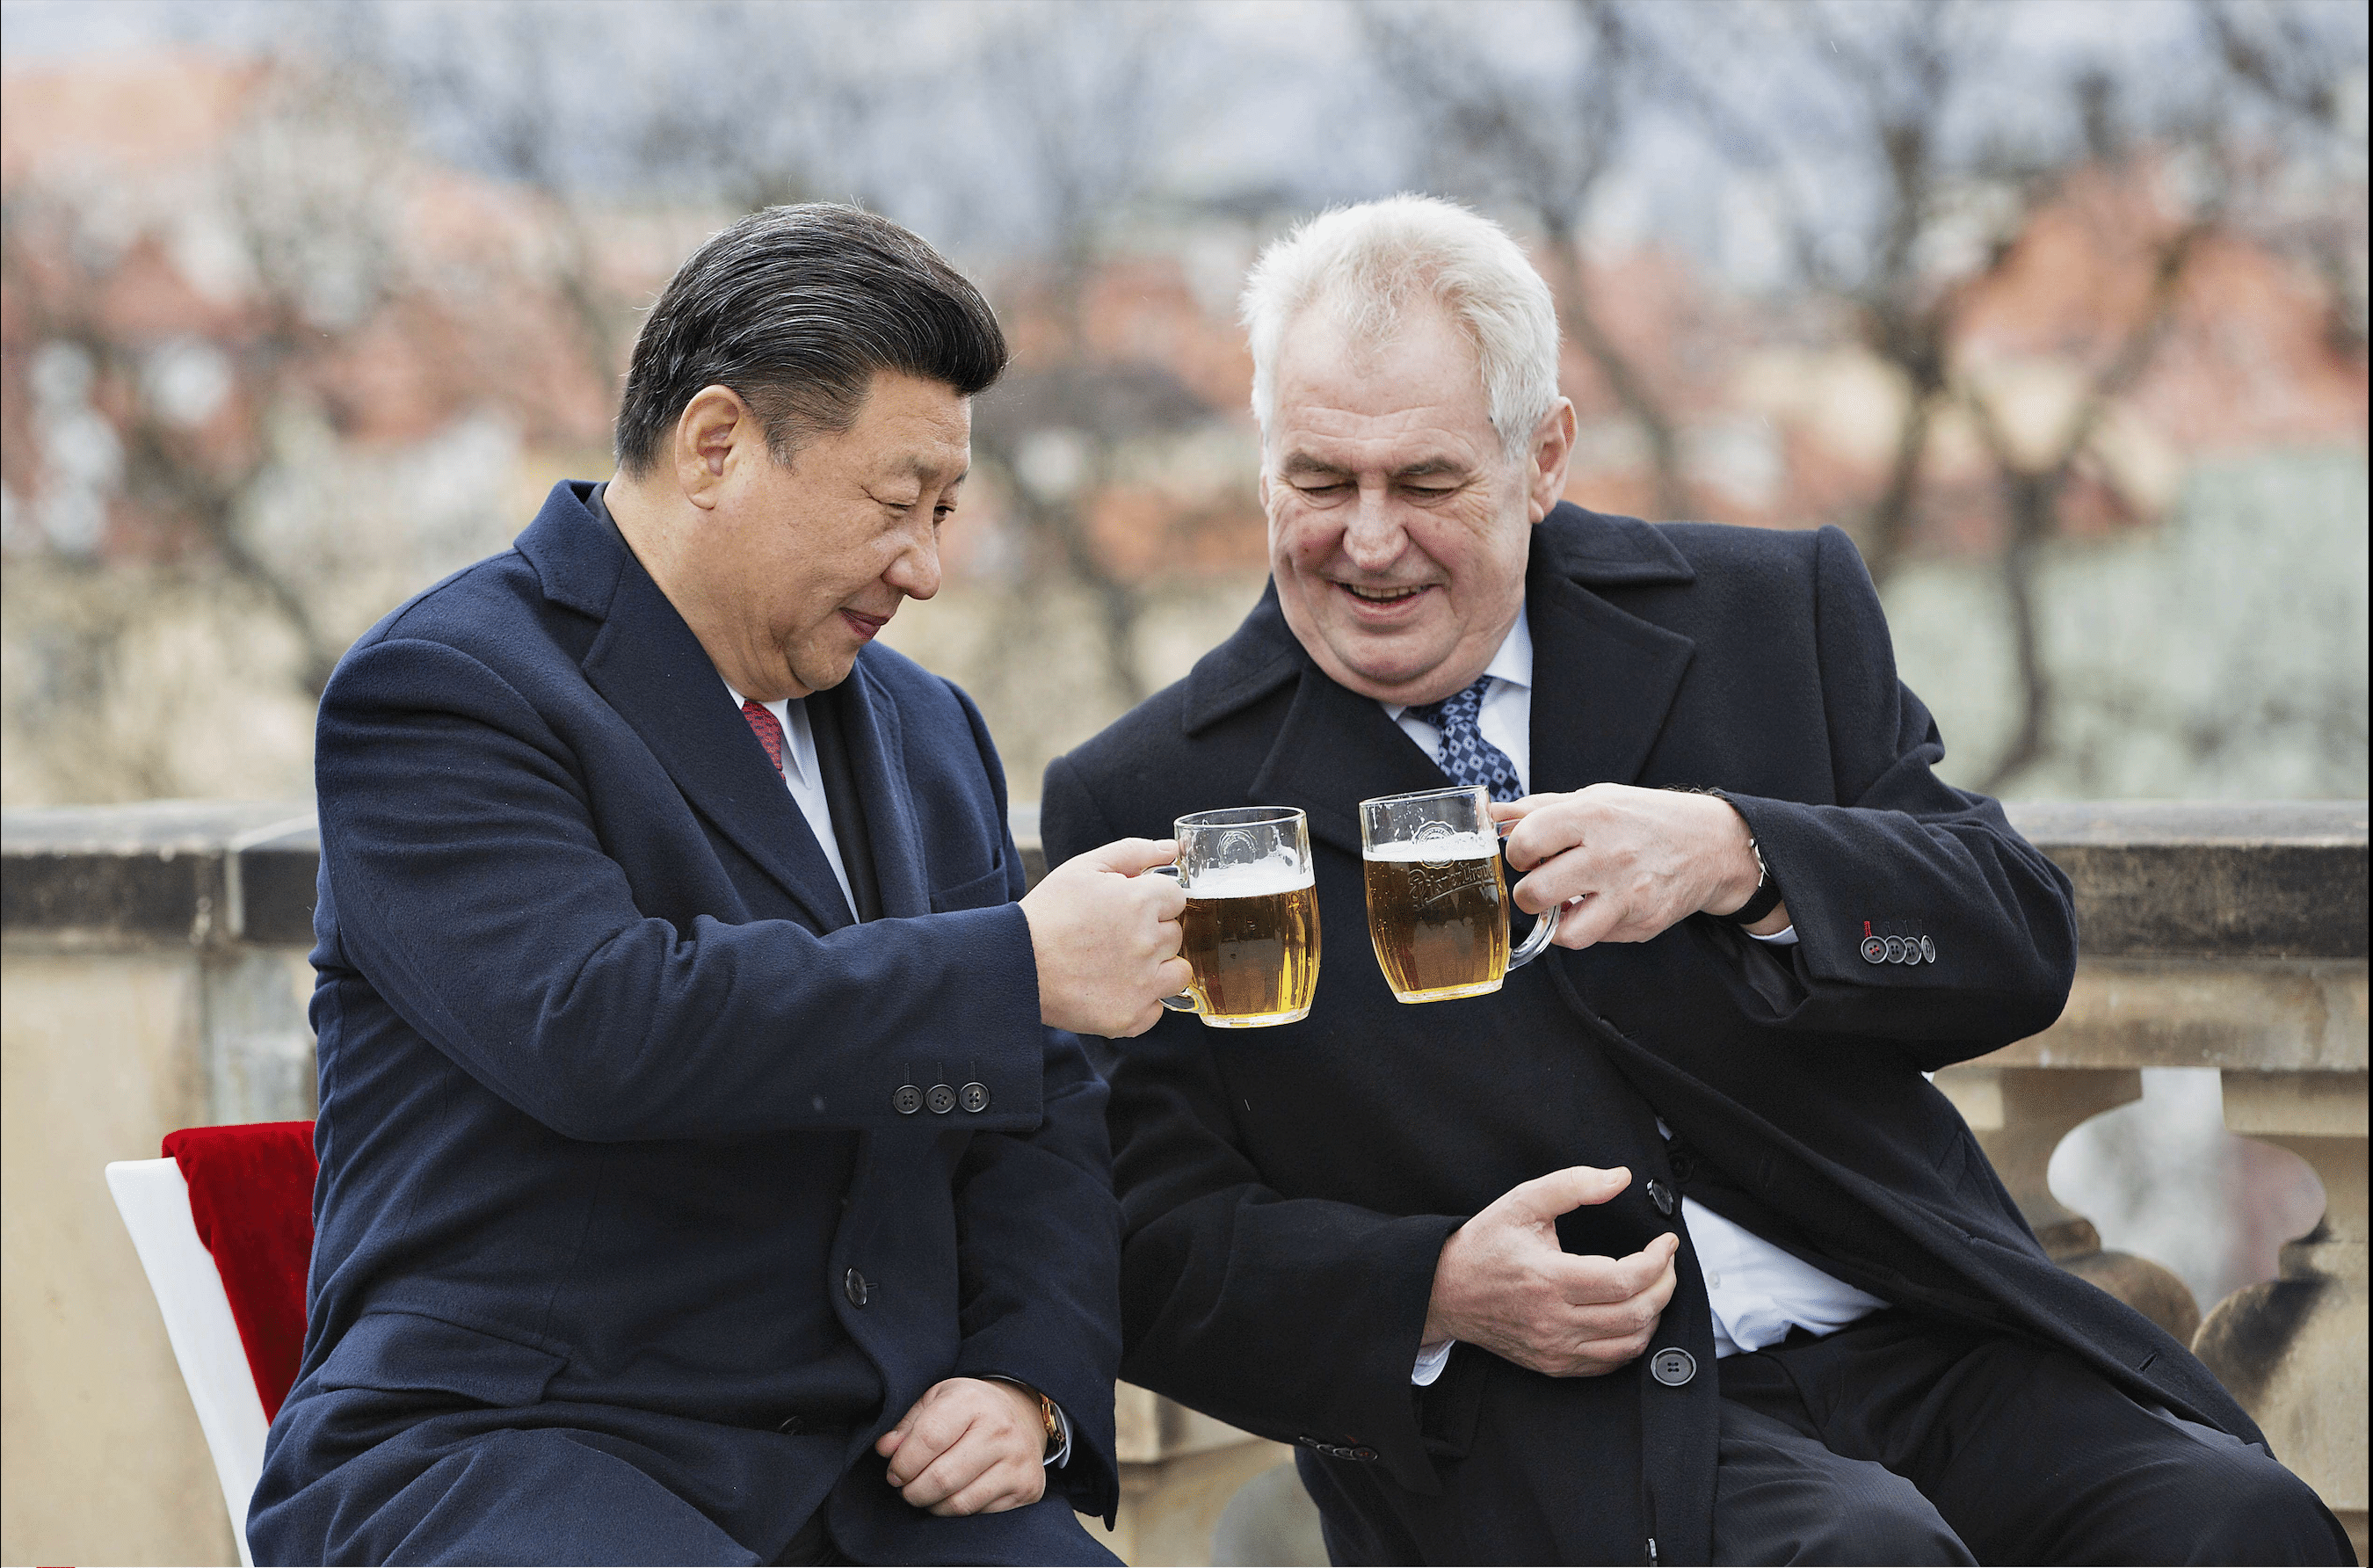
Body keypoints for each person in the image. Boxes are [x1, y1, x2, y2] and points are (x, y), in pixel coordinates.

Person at [1040, 196, 2353, 1566]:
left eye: (1425, 484)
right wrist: (1430, 1291)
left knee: (2239, 1524)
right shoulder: (1143, 795)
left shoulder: (1768, 611)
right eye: (1320, 481)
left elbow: (2017, 937)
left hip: (1922, 1340)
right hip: (1540, 1431)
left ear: (1541, 454)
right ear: (1264, 463)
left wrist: (1744, 856)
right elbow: (1148, 1237)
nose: (1367, 541)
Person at [250, 205, 1191, 1567]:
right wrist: (1019, 965)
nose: (925, 568)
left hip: (870, 1473)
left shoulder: (933, 732)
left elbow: (1037, 1113)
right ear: (716, 445)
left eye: (944, 514)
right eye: (893, 506)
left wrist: (1023, 1378)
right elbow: (600, 1027)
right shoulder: (443, 691)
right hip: (515, 1452)